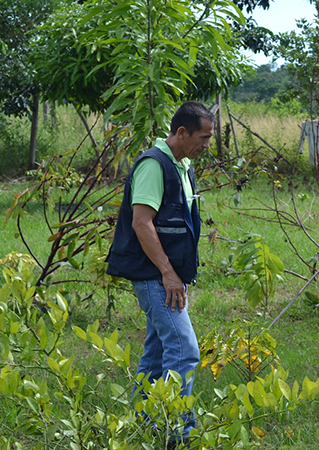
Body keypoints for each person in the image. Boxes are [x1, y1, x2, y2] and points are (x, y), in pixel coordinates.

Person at [106, 101, 214, 439]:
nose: (207, 145)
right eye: (203, 137)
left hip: (169, 275)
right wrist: (168, 273)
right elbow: (142, 223)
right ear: (181, 133)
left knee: (155, 355)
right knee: (185, 350)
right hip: (155, 275)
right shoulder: (154, 165)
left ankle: (142, 424)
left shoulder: (182, 165)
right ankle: (177, 432)